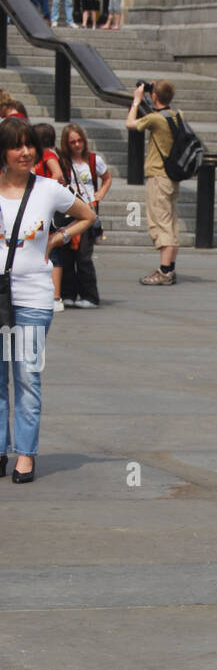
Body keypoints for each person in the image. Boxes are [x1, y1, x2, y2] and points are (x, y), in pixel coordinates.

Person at [0, 117, 95, 482]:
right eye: (16, 145)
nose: (25, 152)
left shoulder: (48, 189)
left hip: (34, 298)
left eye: (30, 145)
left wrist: (57, 238)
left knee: (26, 375)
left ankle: (25, 454)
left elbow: (88, 215)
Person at [125, 79, 183, 286]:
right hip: (171, 176)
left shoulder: (156, 119)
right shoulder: (177, 115)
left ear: (154, 96)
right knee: (171, 221)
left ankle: (164, 271)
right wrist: (156, 92)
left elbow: (130, 123)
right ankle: (170, 267)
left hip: (158, 175)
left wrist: (136, 100)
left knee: (160, 222)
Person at [58, 123, 111, 309]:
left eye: (79, 140)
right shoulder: (62, 162)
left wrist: (101, 194)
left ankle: (90, 296)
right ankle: (69, 294)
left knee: (83, 256)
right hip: (68, 212)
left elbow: (107, 177)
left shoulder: (94, 160)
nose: (77, 144)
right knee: (66, 256)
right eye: (72, 142)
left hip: (88, 211)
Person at [32, 123, 66, 312]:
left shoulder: (47, 154)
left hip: (46, 211)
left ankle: (56, 297)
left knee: (51, 253)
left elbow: (57, 174)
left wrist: (43, 190)